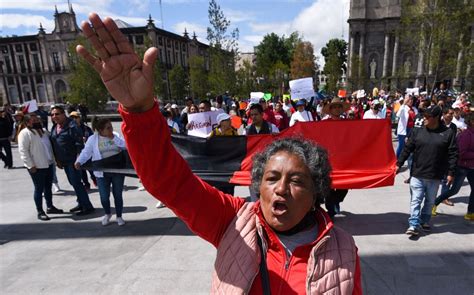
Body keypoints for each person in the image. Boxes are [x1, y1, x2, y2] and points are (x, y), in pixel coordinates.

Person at [76, 14, 362, 293]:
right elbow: (167, 182)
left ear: (316, 192)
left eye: (297, 181)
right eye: (272, 178)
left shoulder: (343, 248)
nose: (281, 190)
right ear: (258, 187)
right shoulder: (232, 222)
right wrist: (139, 111)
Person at [396, 105, 457, 236]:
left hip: (435, 176)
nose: (424, 118)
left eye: (427, 116)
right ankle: (413, 224)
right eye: (424, 116)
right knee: (416, 200)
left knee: (429, 202)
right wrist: (398, 164)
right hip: (417, 173)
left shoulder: (448, 133)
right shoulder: (418, 131)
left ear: (436, 118)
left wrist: (451, 173)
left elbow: (453, 154)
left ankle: (424, 220)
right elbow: (407, 149)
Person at [75, 117, 127, 226]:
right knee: (104, 196)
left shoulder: (116, 136)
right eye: (108, 128)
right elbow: (86, 152)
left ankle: (119, 216)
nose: (111, 129)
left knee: (118, 195)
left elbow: (125, 146)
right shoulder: (93, 139)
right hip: (101, 173)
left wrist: (113, 138)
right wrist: (79, 161)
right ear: (100, 130)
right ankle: (107, 213)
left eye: (111, 126)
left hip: (117, 171)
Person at [50, 106, 94, 215]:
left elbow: (79, 143)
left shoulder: (72, 126)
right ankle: (81, 203)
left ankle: (87, 207)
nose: (54, 116)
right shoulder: (55, 127)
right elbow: (54, 143)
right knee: (73, 183)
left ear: (63, 114)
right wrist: (57, 159)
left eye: (57, 114)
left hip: (73, 161)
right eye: (52, 115)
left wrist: (78, 160)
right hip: (64, 161)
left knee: (77, 183)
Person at [18, 113, 63, 221]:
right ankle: (40, 211)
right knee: (39, 189)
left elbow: (50, 146)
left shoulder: (44, 132)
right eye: (33, 120)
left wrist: (55, 160)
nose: (37, 122)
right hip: (37, 166)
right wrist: (30, 165)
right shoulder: (25, 133)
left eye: (37, 119)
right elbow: (23, 151)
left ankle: (50, 206)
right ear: (27, 123)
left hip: (49, 164)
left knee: (48, 187)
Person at [433, 112, 474, 220]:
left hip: (472, 167)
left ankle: (470, 213)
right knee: (454, 190)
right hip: (462, 167)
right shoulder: (466, 135)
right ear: (472, 122)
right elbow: (462, 153)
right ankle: (434, 203)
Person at [322, 97, 351, 218]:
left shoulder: (348, 124)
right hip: (328, 159)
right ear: (331, 109)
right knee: (329, 187)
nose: (337, 109)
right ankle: (331, 211)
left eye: (339, 107)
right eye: (335, 107)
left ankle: (335, 202)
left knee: (344, 186)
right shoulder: (324, 124)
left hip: (343, 160)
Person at [70, 111, 97, 190]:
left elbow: (92, 137)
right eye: (72, 118)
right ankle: (86, 184)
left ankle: (95, 179)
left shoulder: (85, 128)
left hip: (87, 152)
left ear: (79, 118)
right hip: (78, 152)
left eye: (76, 117)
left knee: (91, 168)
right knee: (82, 170)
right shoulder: (70, 129)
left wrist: (86, 139)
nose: (74, 119)